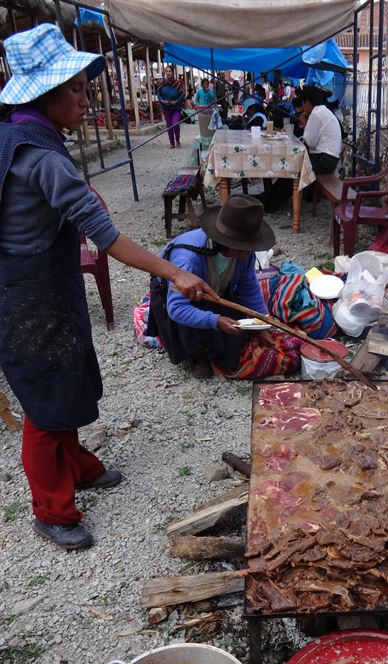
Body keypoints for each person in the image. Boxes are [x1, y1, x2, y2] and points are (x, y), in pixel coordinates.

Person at [0, 24, 215, 551]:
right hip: (27, 296)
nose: (86, 95)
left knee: (66, 380)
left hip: (38, 287)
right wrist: (177, 273)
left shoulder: (13, 134)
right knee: (45, 405)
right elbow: (111, 240)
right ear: (44, 96)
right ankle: (51, 508)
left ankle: (77, 464)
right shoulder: (43, 159)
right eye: (75, 88)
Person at [147, 195, 300, 379]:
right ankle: (197, 356)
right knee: (199, 323)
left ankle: (216, 344)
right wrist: (216, 321)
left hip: (215, 291)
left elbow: (249, 290)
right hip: (176, 299)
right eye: (249, 246)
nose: (252, 251)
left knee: (236, 331)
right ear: (233, 245)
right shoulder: (188, 259)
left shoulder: (244, 256)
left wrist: (262, 324)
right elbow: (177, 308)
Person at [300, 85, 342, 174]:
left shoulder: (316, 114)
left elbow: (310, 143)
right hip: (329, 160)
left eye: (303, 104)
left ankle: (277, 188)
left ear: (307, 102)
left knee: (295, 166)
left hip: (324, 162)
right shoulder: (322, 111)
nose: (303, 107)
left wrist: (304, 123)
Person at [156, 64, 185, 148]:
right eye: (167, 71)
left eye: (170, 71)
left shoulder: (178, 83)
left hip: (176, 108)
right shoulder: (162, 83)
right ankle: (172, 143)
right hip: (166, 108)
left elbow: (182, 95)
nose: (168, 73)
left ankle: (177, 140)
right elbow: (158, 94)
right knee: (169, 125)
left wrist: (176, 101)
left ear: (173, 73)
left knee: (175, 124)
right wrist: (162, 100)